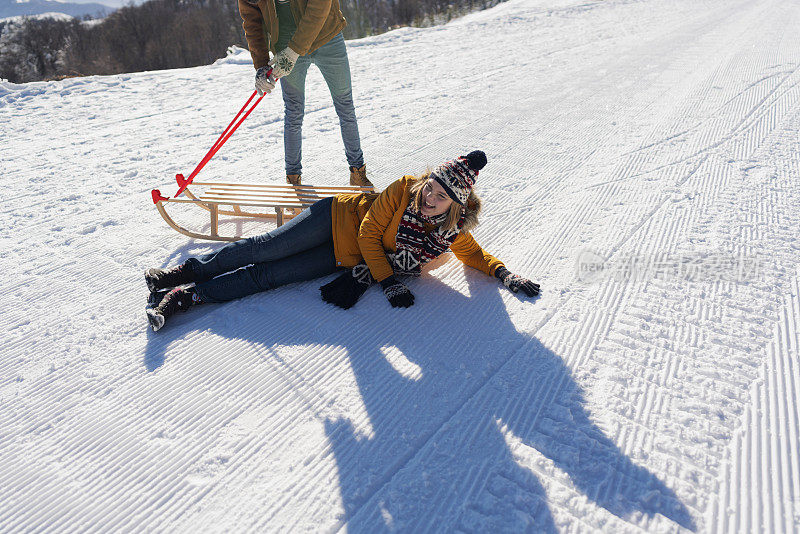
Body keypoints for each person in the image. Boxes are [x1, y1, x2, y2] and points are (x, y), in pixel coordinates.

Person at [145, 151, 540, 331]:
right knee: (262, 248)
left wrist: (505, 275)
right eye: (431, 186)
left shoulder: (449, 233)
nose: (429, 197)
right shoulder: (404, 188)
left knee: (270, 276)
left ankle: (188, 297)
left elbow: (474, 254)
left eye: (440, 196)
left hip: (342, 257)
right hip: (333, 219)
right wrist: (388, 281)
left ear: (455, 208)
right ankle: (189, 271)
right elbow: (369, 233)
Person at [238, 0, 372, 188]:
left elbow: (320, 5)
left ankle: (358, 173)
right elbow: (252, 21)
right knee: (293, 111)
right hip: (285, 42)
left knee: (345, 105)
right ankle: (294, 182)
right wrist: (261, 65)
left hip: (326, 34)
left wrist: (294, 52)